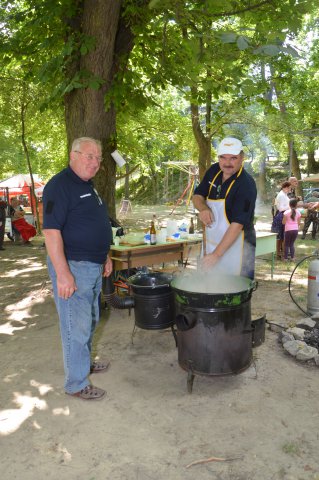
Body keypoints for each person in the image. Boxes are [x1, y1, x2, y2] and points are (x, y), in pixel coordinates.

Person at [43, 137, 113, 401]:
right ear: (73, 155)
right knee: (76, 326)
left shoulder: (88, 185)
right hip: (74, 266)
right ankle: (76, 383)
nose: (94, 163)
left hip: (93, 265)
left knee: (91, 319)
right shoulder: (59, 186)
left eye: (98, 158)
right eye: (89, 156)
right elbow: (50, 232)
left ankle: (84, 363)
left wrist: (105, 255)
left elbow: (94, 223)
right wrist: (63, 274)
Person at [192, 137, 257, 279]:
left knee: (235, 290)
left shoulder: (246, 185)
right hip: (212, 242)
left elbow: (237, 224)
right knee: (209, 286)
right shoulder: (214, 170)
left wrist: (216, 255)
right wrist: (203, 209)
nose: (227, 163)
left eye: (233, 158)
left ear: (242, 158)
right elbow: (197, 196)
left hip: (238, 247)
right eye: (223, 158)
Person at [271, 181, 291, 259]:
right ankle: (279, 253)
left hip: (284, 214)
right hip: (281, 215)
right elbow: (280, 208)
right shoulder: (281, 195)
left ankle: (280, 253)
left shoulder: (284, 194)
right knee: (280, 236)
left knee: (281, 236)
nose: (290, 189)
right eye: (289, 188)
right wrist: (291, 207)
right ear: (285, 187)